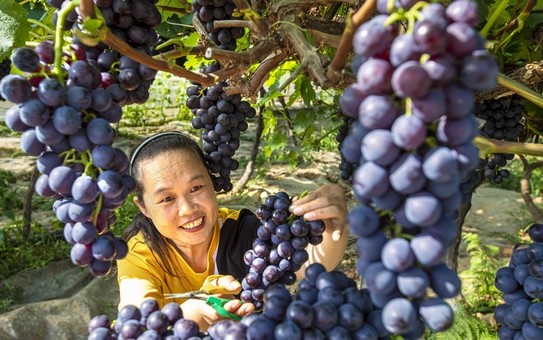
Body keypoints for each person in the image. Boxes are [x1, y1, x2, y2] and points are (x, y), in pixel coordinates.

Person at [117, 131, 350, 330]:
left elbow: (312, 262)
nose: (187, 209)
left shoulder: (241, 230)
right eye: (167, 198)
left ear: (212, 182)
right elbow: (140, 324)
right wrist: (192, 314)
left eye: (196, 187)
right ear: (143, 207)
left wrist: (331, 223)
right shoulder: (139, 254)